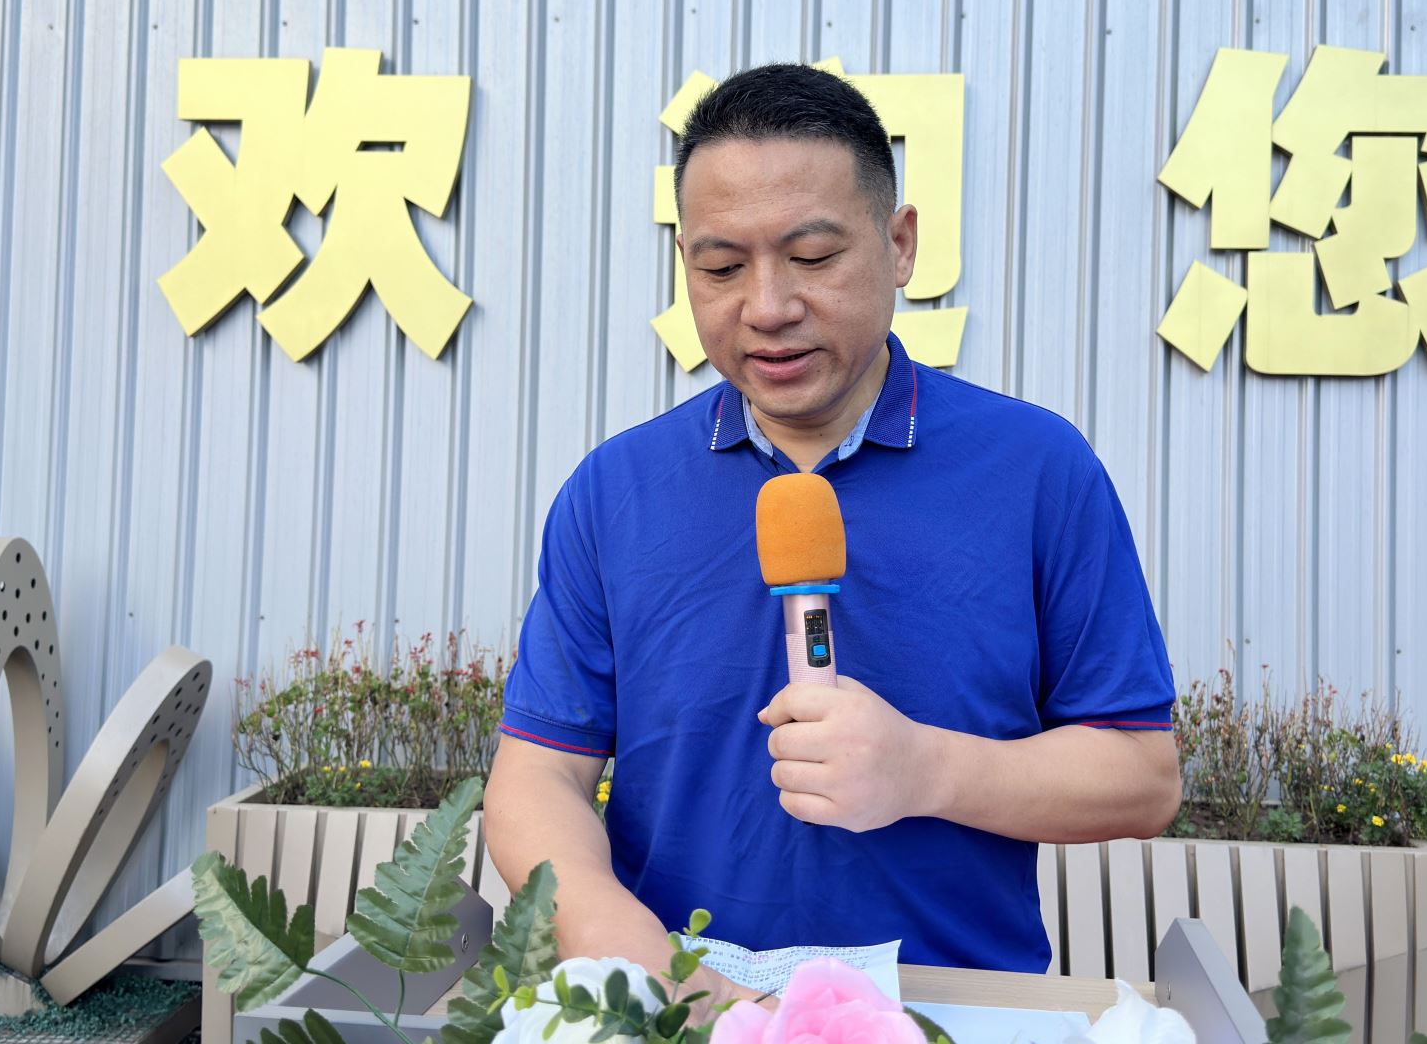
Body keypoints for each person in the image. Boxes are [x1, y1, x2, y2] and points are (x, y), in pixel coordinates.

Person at [483, 64, 1179, 1004]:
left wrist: (926, 768)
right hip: (685, 1001)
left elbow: (1141, 776)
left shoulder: (1038, 470)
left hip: (949, 1004)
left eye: (812, 256)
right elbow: (538, 775)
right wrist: (627, 948)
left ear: (900, 244)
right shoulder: (615, 492)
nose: (767, 307)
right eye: (721, 268)